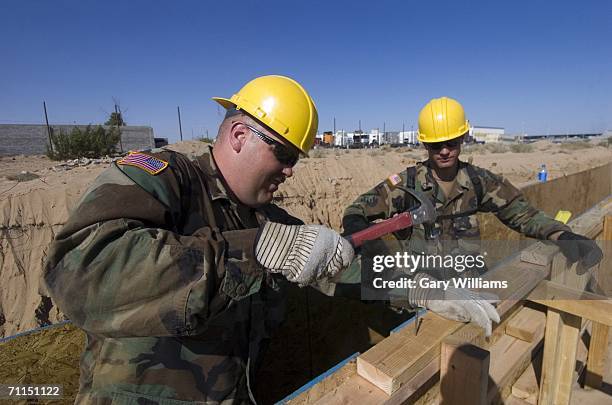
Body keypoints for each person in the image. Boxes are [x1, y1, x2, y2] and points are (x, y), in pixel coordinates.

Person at [43, 75, 354, 404]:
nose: (290, 171)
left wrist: (405, 281)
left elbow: (337, 270)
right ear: (239, 135)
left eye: (296, 160)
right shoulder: (165, 180)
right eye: (285, 155)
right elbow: (81, 272)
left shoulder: (266, 219)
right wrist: (250, 253)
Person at [342, 96, 603, 336]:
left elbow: (521, 213)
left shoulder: (479, 181)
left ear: (463, 138)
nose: (444, 150)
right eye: (435, 145)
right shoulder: (407, 184)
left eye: (451, 143)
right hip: (425, 298)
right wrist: (368, 243)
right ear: (424, 144)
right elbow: (357, 210)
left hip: (471, 287)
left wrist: (561, 234)